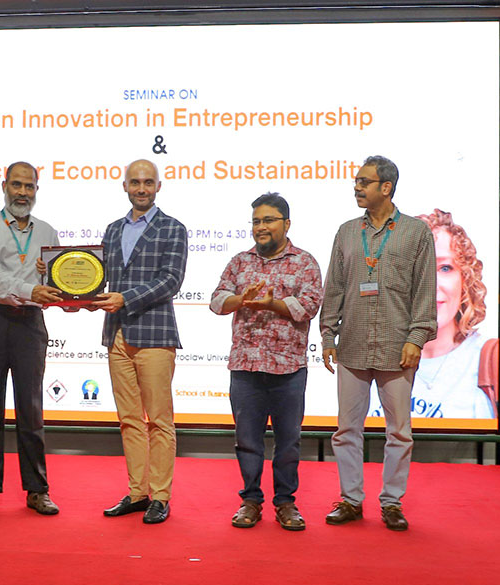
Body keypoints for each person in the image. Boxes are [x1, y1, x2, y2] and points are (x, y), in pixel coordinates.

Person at [319, 155, 436, 532]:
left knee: (399, 431)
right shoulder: (346, 232)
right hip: (352, 344)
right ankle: (351, 500)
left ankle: (392, 502)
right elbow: (334, 287)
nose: (356, 187)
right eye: (356, 181)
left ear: (386, 187)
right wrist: (327, 333)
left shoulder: (416, 232)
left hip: (397, 347)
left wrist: (417, 338)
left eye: (364, 181)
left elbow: (425, 291)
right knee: (346, 431)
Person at [209, 193, 322, 531]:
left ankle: (286, 503)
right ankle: (251, 501)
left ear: (286, 224)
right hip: (245, 366)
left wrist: (274, 305)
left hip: (288, 369)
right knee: (247, 441)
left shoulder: (304, 262)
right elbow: (217, 301)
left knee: (288, 442)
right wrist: (239, 300)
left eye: (269, 220)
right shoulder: (239, 262)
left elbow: (309, 306)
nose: (261, 227)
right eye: (256, 221)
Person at [94, 159, 188, 525]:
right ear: (125, 186)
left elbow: (171, 280)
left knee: (159, 421)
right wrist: (70, 291)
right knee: (129, 420)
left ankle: (160, 496)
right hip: (116, 334)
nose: (142, 188)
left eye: (148, 182)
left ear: (158, 186)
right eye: (135, 182)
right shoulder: (112, 229)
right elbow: (98, 278)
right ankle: (138, 493)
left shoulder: (173, 228)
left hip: (155, 335)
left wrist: (125, 299)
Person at [0, 161, 62, 517]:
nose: (23, 192)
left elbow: (57, 283)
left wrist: (71, 296)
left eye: (29, 186)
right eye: (17, 185)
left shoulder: (48, 231)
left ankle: (37, 489)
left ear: (37, 190)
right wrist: (32, 289)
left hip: (30, 324)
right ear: (4, 186)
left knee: (31, 408)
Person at [412, 209, 498, 419]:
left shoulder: (490, 359)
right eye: (415, 269)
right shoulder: (369, 362)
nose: (430, 285)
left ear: (465, 279)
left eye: (445, 268)